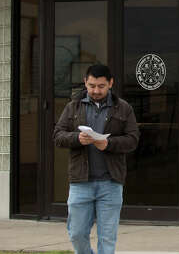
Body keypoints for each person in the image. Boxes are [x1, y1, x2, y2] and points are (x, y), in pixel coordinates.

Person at [53, 64, 139, 254]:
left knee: (107, 237)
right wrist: (77, 138)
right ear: (85, 82)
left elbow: (133, 140)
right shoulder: (73, 107)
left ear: (110, 83)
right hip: (80, 183)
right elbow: (58, 136)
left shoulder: (123, 108)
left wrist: (109, 144)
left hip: (110, 183)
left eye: (101, 86)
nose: (95, 90)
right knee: (76, 234)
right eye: (91, 86)